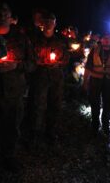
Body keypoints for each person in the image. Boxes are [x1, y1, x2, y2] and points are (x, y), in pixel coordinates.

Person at [0, 2, 34, 172]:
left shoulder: (21, 38)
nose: (2, 15)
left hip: (14, 92)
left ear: (10, 16)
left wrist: (16, 66)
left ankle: (9, 156)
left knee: (12, 125)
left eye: (5, 12)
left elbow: (32, 64)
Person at [28, 11, 69, 147]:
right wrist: (38, 62)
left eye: (52, 21)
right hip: (40, 75)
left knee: (55, 104)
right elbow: (30, 57)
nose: (49, 23)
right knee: (38, 105)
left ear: (55, 23)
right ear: (43, 24)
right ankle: (35, 132)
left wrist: (59, 62)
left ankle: (50, 132)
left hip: (56, 76)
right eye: (46, 21)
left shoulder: (60, 41)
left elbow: (66, 58)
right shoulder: (34, 39)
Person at [83, 31, 110, 137]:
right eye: (105, 37)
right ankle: (95, 126)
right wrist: (85, 82)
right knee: (95, 104)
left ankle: (105, 126)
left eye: (108, 38)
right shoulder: (94, 50)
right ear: (101, 39)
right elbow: (88, 67)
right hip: (95, 80)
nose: (106, 40)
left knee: (107, 104)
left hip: (108, 81)